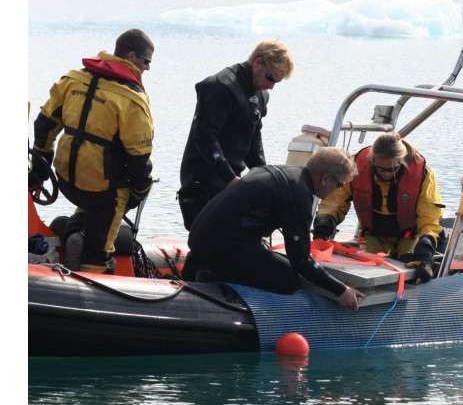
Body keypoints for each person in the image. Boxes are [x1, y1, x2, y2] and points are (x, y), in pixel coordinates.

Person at [32, 29, 155, 273]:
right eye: (146, 61)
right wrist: (140, 189)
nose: (148, 68)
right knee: (119, 201)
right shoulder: (131, 99)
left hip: (66, 181)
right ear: (131, 56)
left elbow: (44, 125)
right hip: (102, 191)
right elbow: (139, 158)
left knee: (97, 197)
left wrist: (40, 170)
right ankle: (94, 262)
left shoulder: (72, 80)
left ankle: (76, 231)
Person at [182, 147, 364, 310]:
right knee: (289, 279)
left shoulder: (281, 174)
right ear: (325, 179)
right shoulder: (299, 194)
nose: (337, 190)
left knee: (272, 260)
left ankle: (209, 270)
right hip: (222, 247)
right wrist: (340, 290)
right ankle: (224, 290)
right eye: (339, 185)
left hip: (200, 237)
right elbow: (300, 260)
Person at [177, 40, 294, 231]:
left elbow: (254, 142)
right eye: (270, 78)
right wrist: (229, 177)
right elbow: (205, 138)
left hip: (231, 180)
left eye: (276, 82)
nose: (271, 86)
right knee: (211, 239)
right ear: (258, 62)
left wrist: (265, 176)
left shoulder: (261, 95)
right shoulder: (220, 86)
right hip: (202, 181)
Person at [313, 132, 444, 283]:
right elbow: (334, 201)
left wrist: (426, 251)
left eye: (392, 170)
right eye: (381, 169)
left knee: (411, 275)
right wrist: (324, 224)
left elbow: (430, 218)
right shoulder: (356, 166)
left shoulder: (422, 174)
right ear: (372, 161)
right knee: (366, 274)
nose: (386, 174)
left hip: (409, 236)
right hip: (372, 235)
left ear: (402, 162)